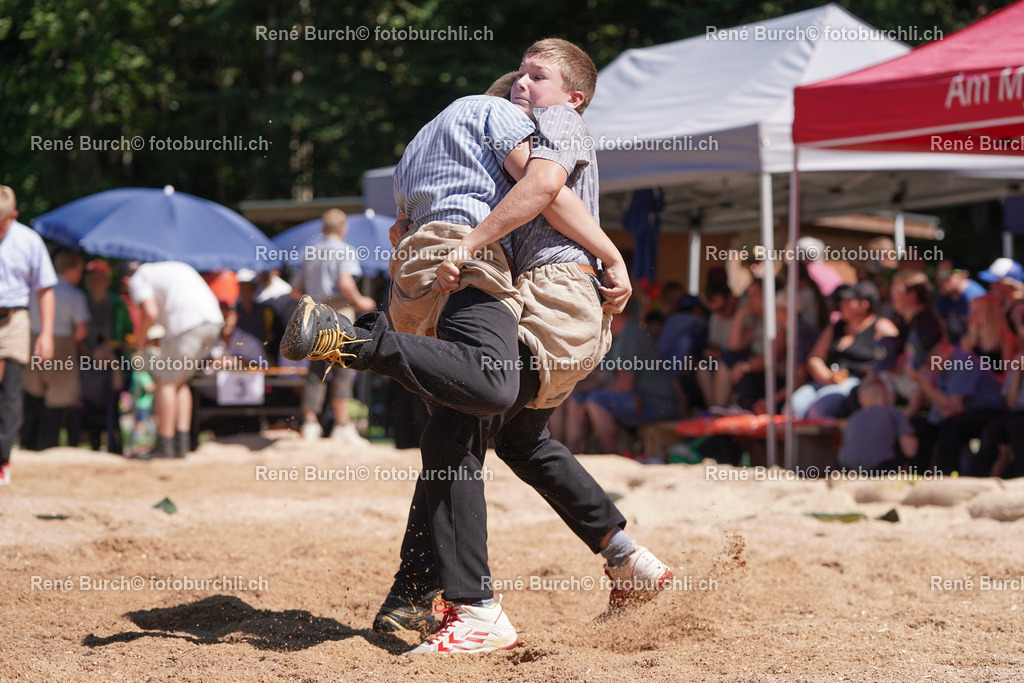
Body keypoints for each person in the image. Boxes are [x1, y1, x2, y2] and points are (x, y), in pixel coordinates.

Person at [284, 42, 669, 654]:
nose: (522, 86)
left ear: (573, 96)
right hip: (558, 302)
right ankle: (627, 559)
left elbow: (545, 186)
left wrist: (605, 254)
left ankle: (469, 607)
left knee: (460, 422)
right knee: (519, 439)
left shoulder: (559, 120)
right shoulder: (518, 123)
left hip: (554, 297)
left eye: (536, 76)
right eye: (518, 77)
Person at [291, 209, 376, 444]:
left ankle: (310, 424)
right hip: (339, 313)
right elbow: (345, 283)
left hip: (314, 314)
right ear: (344, 230)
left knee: (315, 369)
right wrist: (360, 301)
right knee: (342, 367)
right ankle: (342, 425)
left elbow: (294, 290)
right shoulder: (345, 250)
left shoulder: (310, 252)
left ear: (322, 228)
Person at [124, 260, 223, 459]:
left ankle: (165, 445)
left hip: (187, 326)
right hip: (212, 323)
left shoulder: (137, 278)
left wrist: (139, 344)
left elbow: (150, 312)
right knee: (180, 381)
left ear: (126, 280)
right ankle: (181, 444)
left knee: (166, 382)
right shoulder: (169, 268)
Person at [0, 186, 56, 483]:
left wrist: (46, 333)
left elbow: (45, 289)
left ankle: (2, 459)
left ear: (14, 216)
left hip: (14, 318)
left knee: (10, 389)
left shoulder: (28, 241)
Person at [905, 314, 1004, 475]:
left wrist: (922, 382)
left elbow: (952, 408)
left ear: (942, 346)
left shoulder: (961, 361)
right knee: (920, 425)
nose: (928, 366)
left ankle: (945, 477)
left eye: (929, 359)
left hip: (988, 412)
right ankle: (918, 476)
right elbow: (941, 412)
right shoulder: (940, 367)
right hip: (964, 413)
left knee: (951, 426)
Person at [790, 281, 899, 419]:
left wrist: (873, 374)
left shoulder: (881, 326)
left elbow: (896, 356)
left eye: (847, 301)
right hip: (828, 381)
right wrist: (826, 375)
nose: (841, 304)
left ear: (864, 305)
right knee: (794, 405)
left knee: (821, 408)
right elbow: (815, 358)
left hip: (859, 383)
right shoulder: (836, 327)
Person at [21, 250, 89, 451]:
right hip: (62, 346)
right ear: (72, 269)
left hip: (33, 342)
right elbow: (81, 331)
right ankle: (48, 446)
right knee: (58, 399)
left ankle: (27, 443)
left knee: (32, 393)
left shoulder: (36, 289)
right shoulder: (75, 295)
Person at [74, 259, 131, 454]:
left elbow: (126, 336)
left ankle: (116, 449)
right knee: (88, 410)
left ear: (107, 281)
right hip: (87, 365)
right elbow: (76, 334)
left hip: (113, 365)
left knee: (112, 411)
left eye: (99, 279)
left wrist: (109, 351)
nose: (95, 283)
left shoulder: (118, 305)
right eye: (91, 279)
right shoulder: (83, 301)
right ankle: (92, 447)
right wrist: (88, 352)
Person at [836, 375, 917, 473]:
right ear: (887, 395)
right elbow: (910, 451)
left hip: (846, 469)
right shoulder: (893, 413)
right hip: (878, 469)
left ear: (861, 400)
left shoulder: (852, 418)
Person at [959, 294, 1016, 375]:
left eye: (977, 311)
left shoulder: (1006, 341)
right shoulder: (968, 340)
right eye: (971, 311)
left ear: (991, 314)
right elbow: (965, 373)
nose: (972, 315)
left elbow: (1009, 378)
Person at [934, 259, 986, 343]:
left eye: (944, 274)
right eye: (938, 274)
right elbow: (941, 327)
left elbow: (978, 337)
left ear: (963, 274)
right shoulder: (945, 296)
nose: (939, 280)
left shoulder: (976, 298)